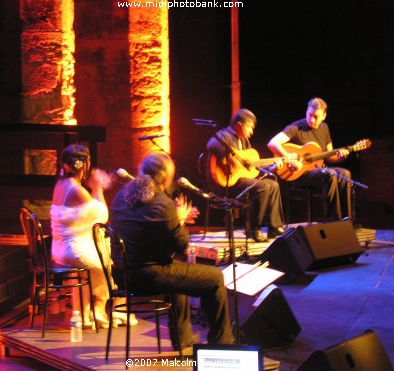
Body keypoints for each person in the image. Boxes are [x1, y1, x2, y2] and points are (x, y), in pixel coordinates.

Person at [109, 152, 235, 351]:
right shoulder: (161, 203)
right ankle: (223, 343)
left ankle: (183, 338)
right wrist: (179, 218)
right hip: (147, 276)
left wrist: (172, 220)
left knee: (179, 273)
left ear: (141, 171)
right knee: (215, 277)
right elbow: (182, 246)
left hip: (120, 272)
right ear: (166, 179)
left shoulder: (122, 195)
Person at [50, 143, 136, 329]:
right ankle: (104, 307)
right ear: (85, 165)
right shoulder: (76, 190)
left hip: (60, 248)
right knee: (111, 264)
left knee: (103, 251)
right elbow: (101, 216)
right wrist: (98, 188)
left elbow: (82, 218)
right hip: (71, 251)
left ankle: (89, 312)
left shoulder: (62, 184)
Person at [206, 108, 285, 242]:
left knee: (273, 183)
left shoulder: (244, 141)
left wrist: (271, 167)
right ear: (239, 125)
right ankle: (253, 229)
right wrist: (232, 159)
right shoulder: (225, 135)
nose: (251, 132)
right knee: (263, 187)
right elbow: (211, 144)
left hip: (240, 180)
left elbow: (252, 166)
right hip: (225, 182)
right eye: (250, 128)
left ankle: (273, 226)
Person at [267, 97, 351, 220]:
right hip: (299, 174)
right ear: (306, 111)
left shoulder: (324, 128)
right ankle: (334, 221)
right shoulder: (296, 128)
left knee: (345, 174)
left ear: (324, 116)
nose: (312, 119)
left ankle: (347, 219)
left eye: (316, 117)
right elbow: (272, 143)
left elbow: (329, 156)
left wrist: (340, 157)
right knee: (330, 174)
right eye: (309, 115)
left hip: (319, 170)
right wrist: (288, 157)